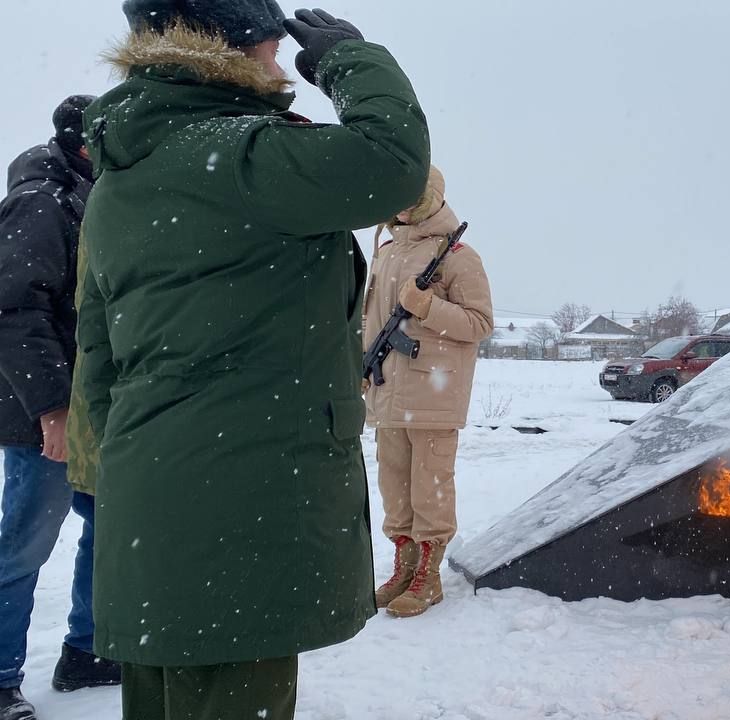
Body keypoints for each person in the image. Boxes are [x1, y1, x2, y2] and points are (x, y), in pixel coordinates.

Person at [76, 1, 429, 717]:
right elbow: (392, 166)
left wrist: (132, 459)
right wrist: (348, 60)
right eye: (274, 52)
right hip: (240, 499)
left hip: (154, 493)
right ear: (230, 49)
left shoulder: (122, 177)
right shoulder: (240, 156)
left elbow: (97, 346)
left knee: (166, 696)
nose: (282, 69)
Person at [0, 95, 121, 720]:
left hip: (92, 408)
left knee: (107, 532)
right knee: (24, 545)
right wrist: (52, 410)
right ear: (84, 143)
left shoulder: (91, 195)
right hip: (42, 415)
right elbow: (16, 310)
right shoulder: (40, 202)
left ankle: (88, 652)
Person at [363, 165, 493, 618]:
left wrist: (429, 307)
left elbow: (480, 324)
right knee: (394, 490)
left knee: (429, 489)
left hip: (433, 398)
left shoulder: (457, 255)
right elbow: (371, 326)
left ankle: (428, 577)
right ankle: (403, 568)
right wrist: (361, 366)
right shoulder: (385, 253)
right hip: (386, 394)